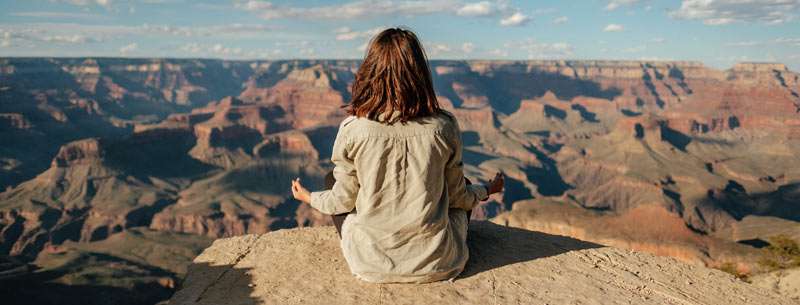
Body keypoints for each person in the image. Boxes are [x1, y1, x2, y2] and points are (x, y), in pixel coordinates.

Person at [290, 27, 504, 284]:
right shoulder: (444, 126)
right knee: (465, 184)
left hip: (370, 265)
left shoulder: (353, 128)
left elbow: (343, 201)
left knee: (331, 181)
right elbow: (459, 196)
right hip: (439, 264)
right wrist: (487, 190)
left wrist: (308, 197)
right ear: (420, 74)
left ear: (371, 72)